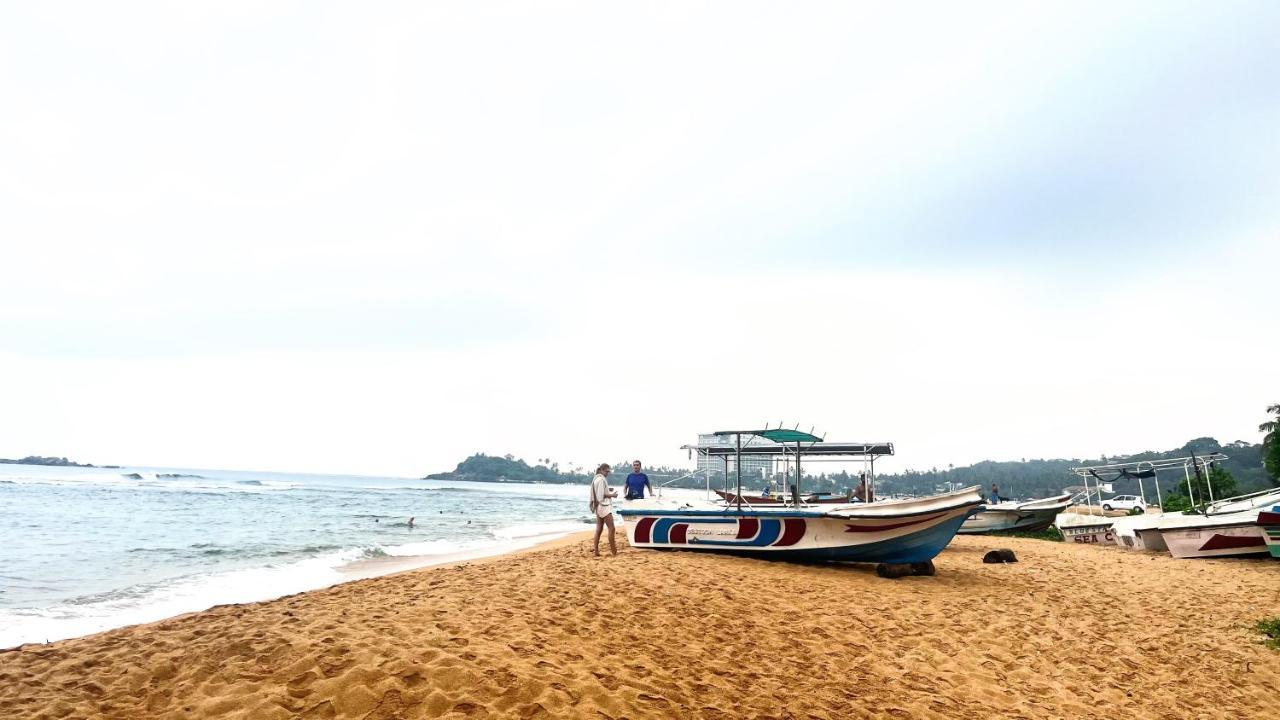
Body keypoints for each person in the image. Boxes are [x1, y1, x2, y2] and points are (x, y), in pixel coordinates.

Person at [590, 463, 618, 556]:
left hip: (598, 506)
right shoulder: (602, 479)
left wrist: (607, 490)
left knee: (599, 529)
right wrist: (613, 495)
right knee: (612, 528)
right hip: (604, 506)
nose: (608, 473)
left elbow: (599, 492)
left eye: (608, 471)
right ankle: (614, 551)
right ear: (602, 470)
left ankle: (596, 551)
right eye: (606, 471)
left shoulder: (596, 479)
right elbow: (601, 495)